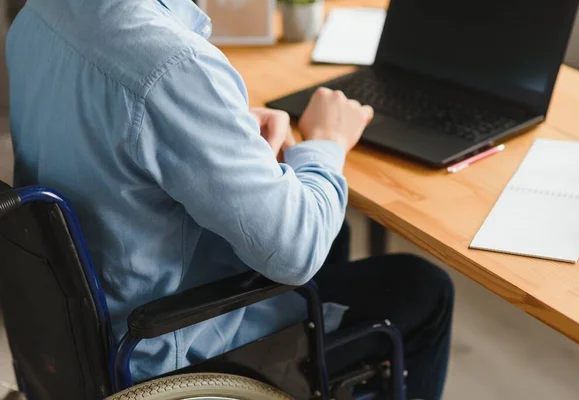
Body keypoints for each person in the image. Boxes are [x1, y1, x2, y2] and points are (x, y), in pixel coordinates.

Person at [6, 0, 453, 399]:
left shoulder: (36, 17)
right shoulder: (170, 64)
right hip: (164, 353)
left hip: (79, 335)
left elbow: (115, 132)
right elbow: (295, 252)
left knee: (338, 232)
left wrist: (226, 129)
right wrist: (327, 141)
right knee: (424, 288)